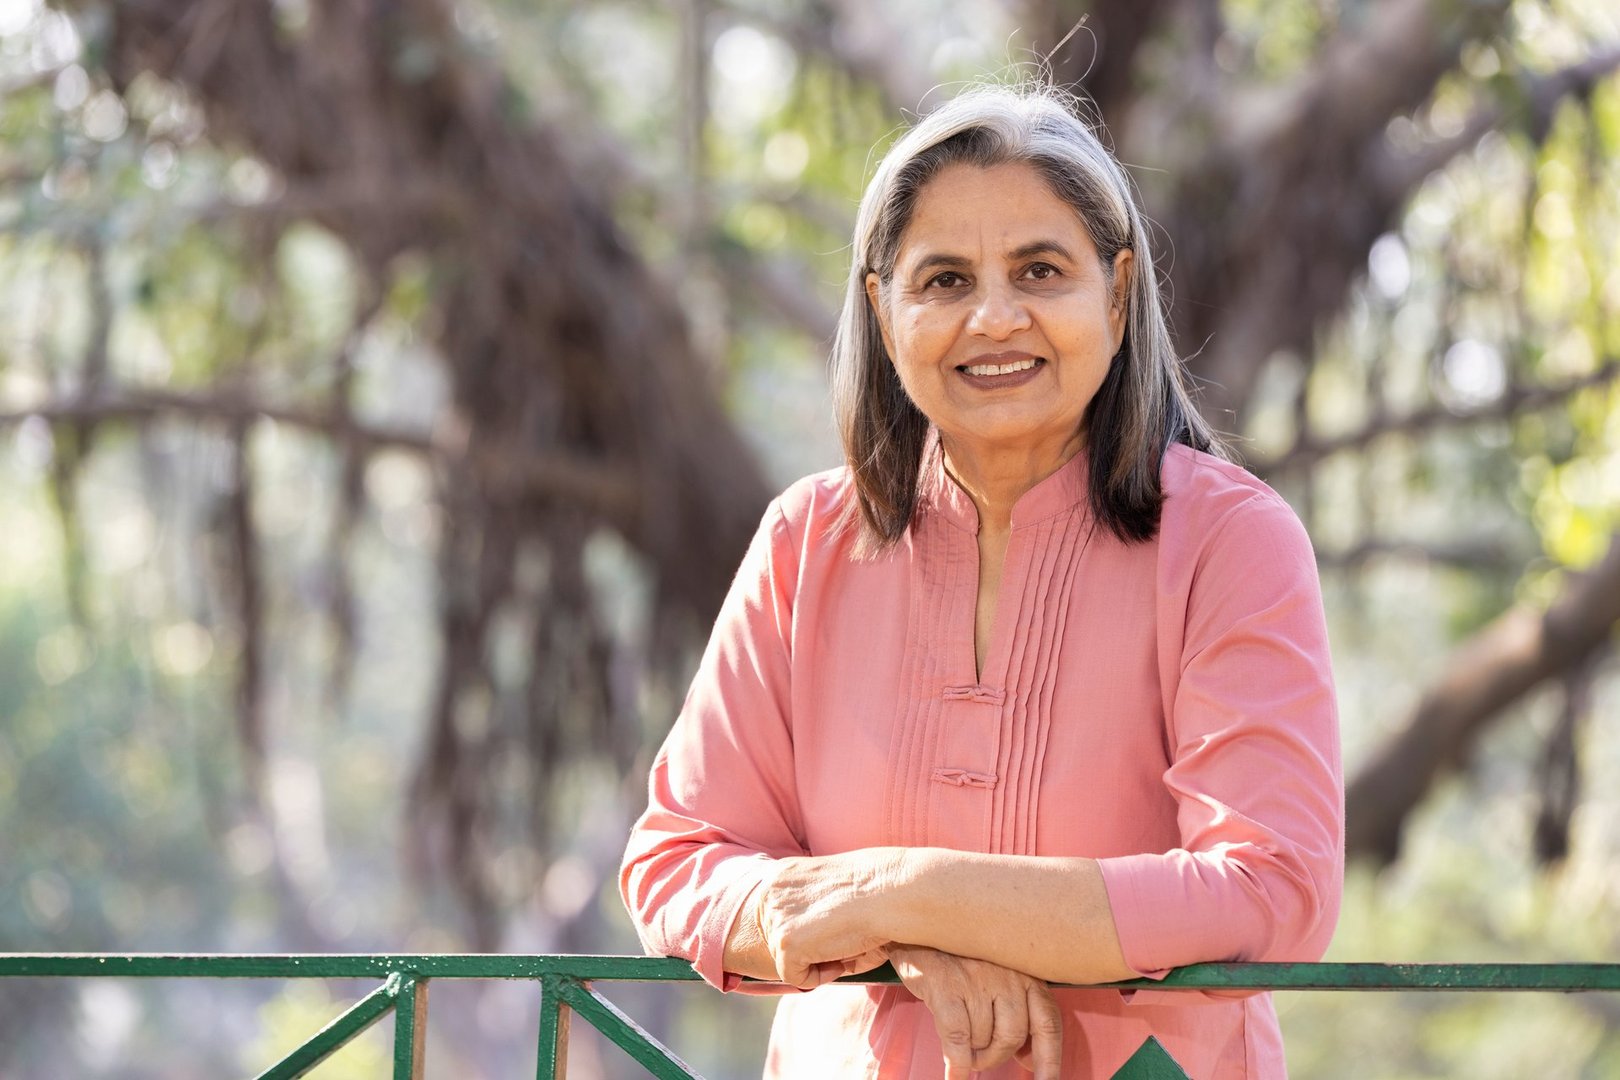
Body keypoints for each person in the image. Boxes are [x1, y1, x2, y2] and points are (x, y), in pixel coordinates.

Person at [620, 80, 1342, 1079]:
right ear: (884, 311)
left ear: (1117, 293)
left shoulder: (1228, 539)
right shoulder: (805, 542)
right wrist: (901, 942)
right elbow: (676, 860)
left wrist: (903, 892)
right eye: (945, 280)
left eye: (1040, 270)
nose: (995, 318)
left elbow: (1271, 889)